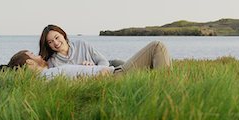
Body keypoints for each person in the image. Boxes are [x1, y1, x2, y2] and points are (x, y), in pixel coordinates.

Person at [39, 25, 172, 73]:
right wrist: (87, 70)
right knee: (157, 46)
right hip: (107, 76)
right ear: (48, 45)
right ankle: (164, 83)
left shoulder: (81, 44)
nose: (56, 43)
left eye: (57, 37)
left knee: (154, 54)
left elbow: (103, 62)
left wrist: (94, 66)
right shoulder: (53, 62)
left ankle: (162, 82)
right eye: (50, 42)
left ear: (63, 34)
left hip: (110, 68)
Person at [0, 50, 115, 79]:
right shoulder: (53, 73)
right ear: (29, 62)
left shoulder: (45, 77)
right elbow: (103, 73)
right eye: (33, 54)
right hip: (115, 74)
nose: (39, 55)